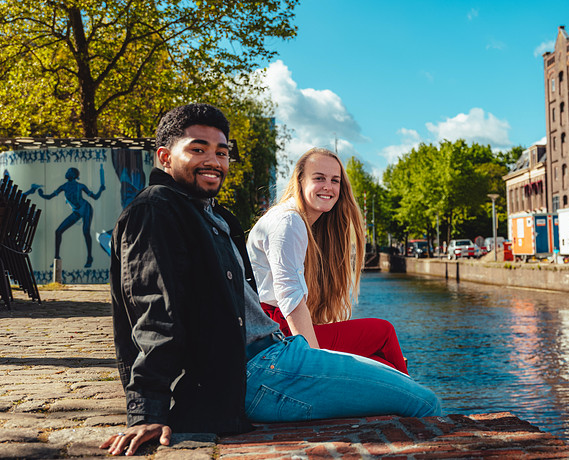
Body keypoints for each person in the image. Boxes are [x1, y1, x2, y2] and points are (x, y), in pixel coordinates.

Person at [102, 103, 441, 456]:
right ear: (165, 157)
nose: (213, 160)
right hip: (262, 371)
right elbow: (154, 312)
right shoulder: (156, 210)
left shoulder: (213, 216)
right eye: (197, 149)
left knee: (400, 385)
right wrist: (146, 411)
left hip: (275, 355)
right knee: (423, 403)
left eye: (221, 152)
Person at [247, 148, 408, 374]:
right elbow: (289, 297)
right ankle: (417, 403)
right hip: (275, 331)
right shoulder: (288, 221)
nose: (328, 187)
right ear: (300, 181)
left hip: (274, 328)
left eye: (335, 180)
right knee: (383, 333)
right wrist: (316, 367)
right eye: (319, 178)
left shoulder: (298, 220)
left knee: (384, 364)